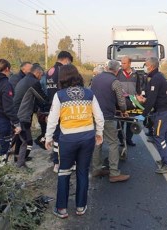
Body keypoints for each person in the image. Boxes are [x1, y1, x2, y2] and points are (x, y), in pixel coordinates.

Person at [45, 64, 104, 218]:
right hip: (87, 137)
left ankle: (62, 209)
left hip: (68, 139)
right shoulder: (89, 93)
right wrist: (99, 133)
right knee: (83, 172)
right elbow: (99, 116)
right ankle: (80, 207)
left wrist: (49, 137)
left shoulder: (60, 95)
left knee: (64, 172)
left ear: (62, 78)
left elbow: (52, 119)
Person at [91, 60, 130, 183]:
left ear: (107, 68)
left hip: (94, 115)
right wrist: (124, 111)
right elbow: (121, 101)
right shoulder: (115, 82)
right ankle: (114, 173)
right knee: (113, 143)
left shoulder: (96, 78)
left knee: (98, 141)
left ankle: (96, 169)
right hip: (107, 116)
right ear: (117, 70)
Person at [136, 57, 167, 174]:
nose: (145, 66)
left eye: (146, 64)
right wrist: (145, 98)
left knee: (158, 136)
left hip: (163, 111)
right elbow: (152, 95)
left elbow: (152, 101)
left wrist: (143, 114)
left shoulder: (155, 79)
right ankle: (166, 160)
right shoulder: (158, 76)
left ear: (151, 66)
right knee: (165, 136)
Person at [13, 64, 47, 168]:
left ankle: (17, 158)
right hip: (23, 114)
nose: (41, 78)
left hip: (15, 113)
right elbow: (42, 98)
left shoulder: (24, 80)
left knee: (18, 138)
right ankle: (20, 164)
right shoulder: (33, 82)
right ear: (37, 73)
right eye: (41, 75)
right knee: (27, 140)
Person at [45, 51, 74, 173]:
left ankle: (56, 163)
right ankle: (66, 162)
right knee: (65, 136)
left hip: (52, 106)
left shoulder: (49, 71)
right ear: (66, 59)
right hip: (63, 106)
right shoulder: (63, 71)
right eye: (69, 62)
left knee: (56, 136)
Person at [116, 56, 143, 147]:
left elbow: (138, 88)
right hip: (121, 101)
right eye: (121, 63)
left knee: (131, 121)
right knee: (120, 121)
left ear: (129, 63)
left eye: (124, 63)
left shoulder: (135, 74)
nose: (122, 65)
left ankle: (128, 139)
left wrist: (139, 98)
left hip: (132, 101)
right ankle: (121, 140)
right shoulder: (118, 73)